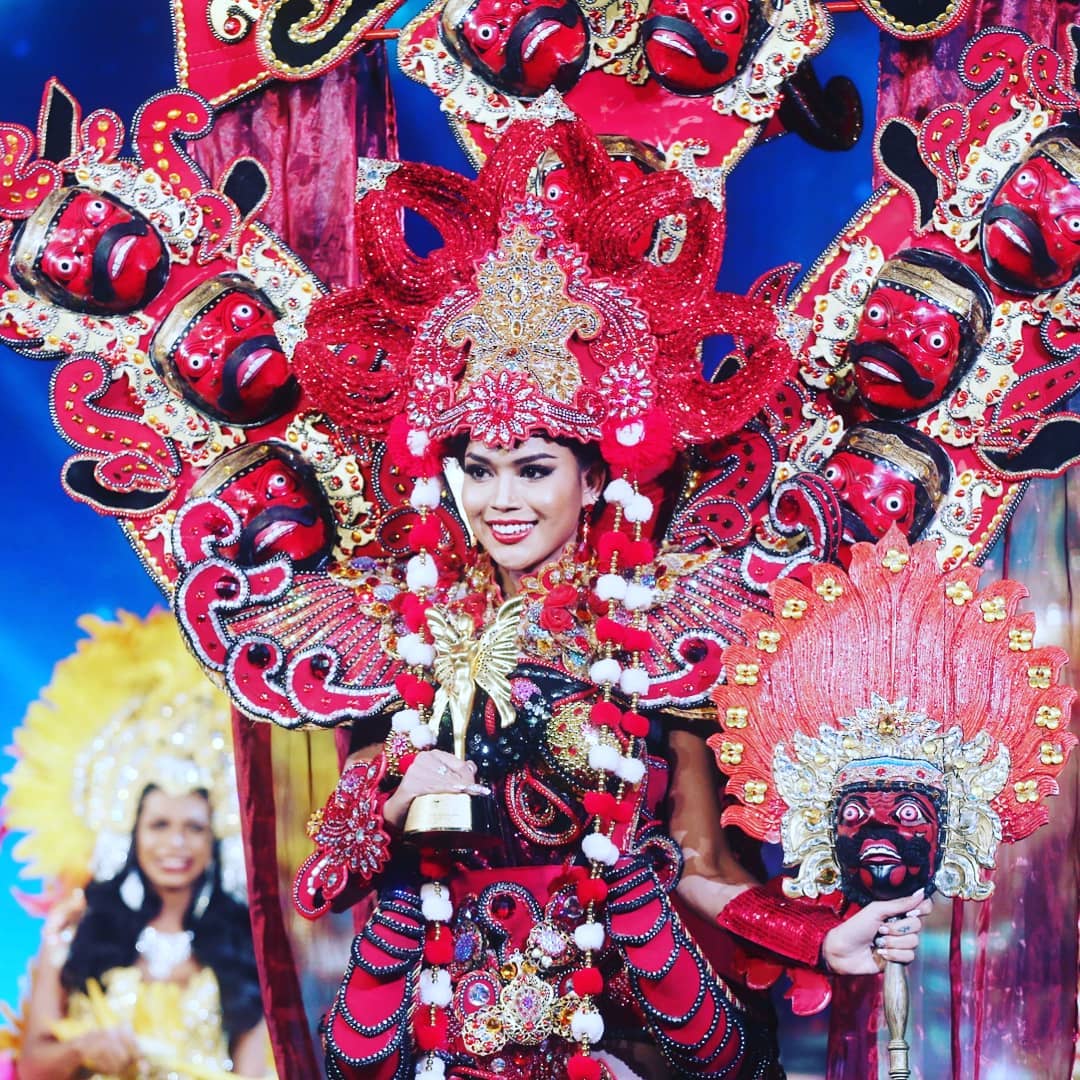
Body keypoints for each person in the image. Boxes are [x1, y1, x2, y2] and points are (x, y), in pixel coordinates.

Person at [258, 115, 933, 1079]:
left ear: (594, 474)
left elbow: (700, 867)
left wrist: (819, 938)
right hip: (445, 1023)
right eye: (477, 469)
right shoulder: (404, 634)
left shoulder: (657, 630)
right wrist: (392, 798)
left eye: (533, 469)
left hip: (623, 1025)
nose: (502, 501)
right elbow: (329, 875)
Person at [5, 611, 270, 1080]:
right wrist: (84, 1048)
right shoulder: (77, 928)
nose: (176, 843)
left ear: (215, 840)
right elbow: (31, 1065)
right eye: (159, 825)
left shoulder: (244, 943)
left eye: (193, 828)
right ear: (131, 835)